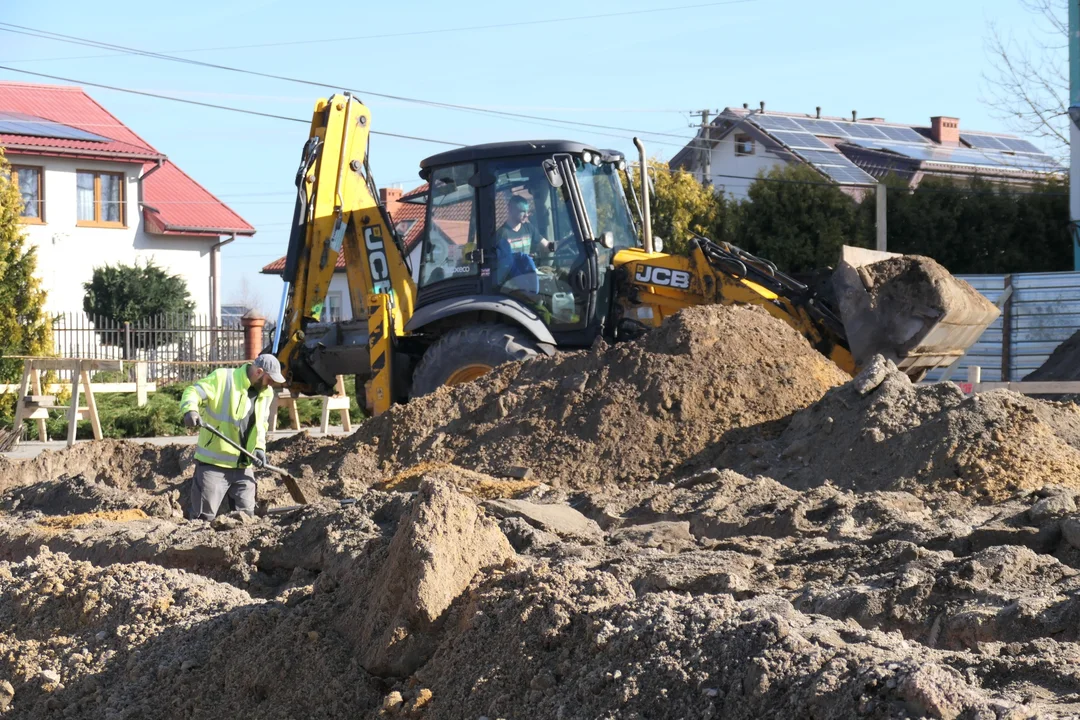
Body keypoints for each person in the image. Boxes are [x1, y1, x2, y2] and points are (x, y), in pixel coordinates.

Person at [179, 354, 284, 520]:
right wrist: (190, 410)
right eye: (269, 379)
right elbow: (193, 392)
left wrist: (259, 448)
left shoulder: (266, 393)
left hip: (243, 467)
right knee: (203, 519)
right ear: (258, 372)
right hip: (213, 465)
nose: (271, 384)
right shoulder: (223, 378)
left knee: (246, 519)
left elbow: (261, 425)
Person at [494, 195, 550, 293]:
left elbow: (547, 246)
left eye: (527, 211)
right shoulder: (502, 234)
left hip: (529, 276)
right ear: (510, 209)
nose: (526, 215)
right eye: (522, 211)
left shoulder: (529, 228)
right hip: (513, 283)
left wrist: (562, 244)